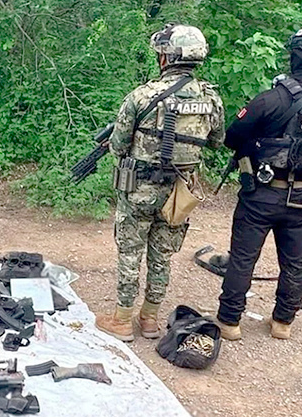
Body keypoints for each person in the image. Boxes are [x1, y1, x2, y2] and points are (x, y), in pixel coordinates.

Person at [216, 23, 302, 340]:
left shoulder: (273, 99)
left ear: (300, 55)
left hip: (262, 193)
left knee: (243, 258)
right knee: (295, 261)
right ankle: (283, 322)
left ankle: (229, 322)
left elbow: (232, 137)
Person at [95, 24, 225, 342]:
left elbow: (118, 146)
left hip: (139, 189)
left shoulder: (142, 96)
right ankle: (150, 319)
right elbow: (216, 142)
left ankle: (122, 321)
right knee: (162, 254)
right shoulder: (211, 98)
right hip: (179, 193)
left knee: (130, 252)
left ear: (166, 57)